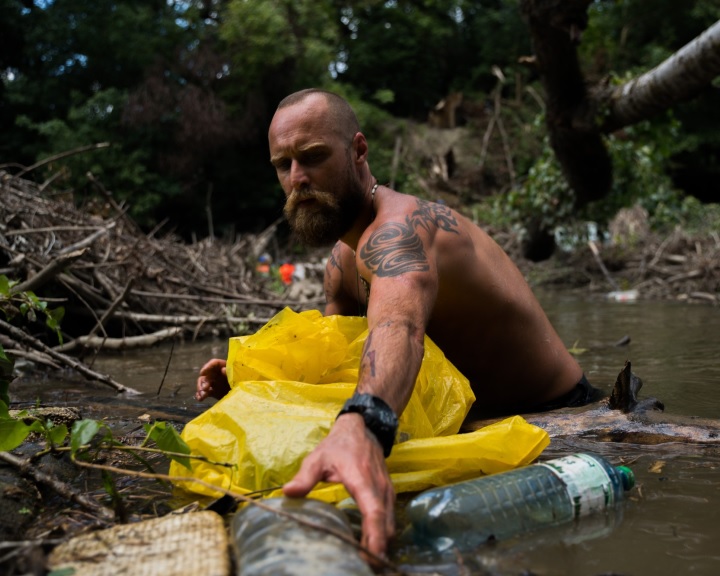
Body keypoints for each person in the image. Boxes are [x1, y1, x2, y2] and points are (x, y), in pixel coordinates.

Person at [195, 88, 601, 561]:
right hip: (473, 425)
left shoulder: (400, 230)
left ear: (359, 151)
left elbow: (398, 327)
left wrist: (363, 429)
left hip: (562, 416)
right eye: (283, 166)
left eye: (313, 157)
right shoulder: (338, 263)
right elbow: (340, 363)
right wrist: (254, 380)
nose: (298, 179)